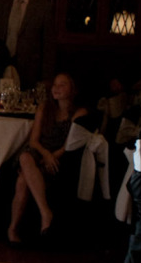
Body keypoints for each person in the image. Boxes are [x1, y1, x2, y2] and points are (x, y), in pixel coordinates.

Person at [7, 72, 87, 244]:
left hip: (60, 155)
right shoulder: (45, 107)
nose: (56, 88)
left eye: (62, 85)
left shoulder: (79, 113)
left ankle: (12, 229)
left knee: (22, 181)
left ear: (72, 89)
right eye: (55, 85)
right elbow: (34, 141)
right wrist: (46, 155)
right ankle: (46, 214)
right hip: (40, 151)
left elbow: (69, 144)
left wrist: (53, 157)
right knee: (25, 157)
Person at [0, 0, 55, 90]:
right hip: (1, 65)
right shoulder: (1, 4)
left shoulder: (44, 8)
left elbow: (49, 44)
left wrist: (47, 77)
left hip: (30, 70)